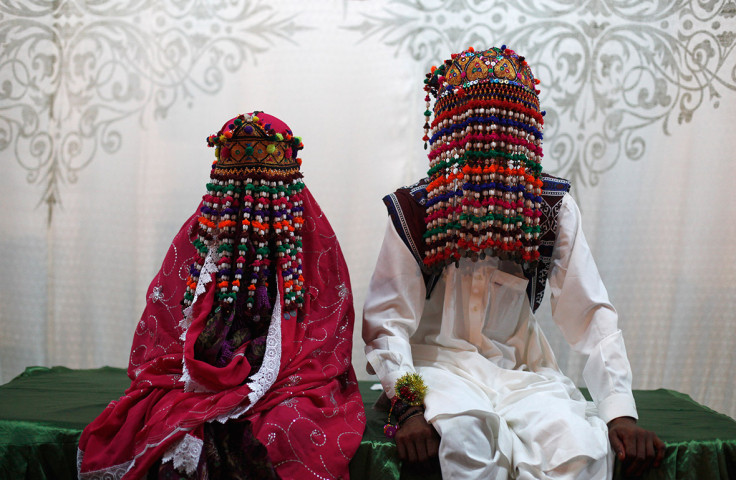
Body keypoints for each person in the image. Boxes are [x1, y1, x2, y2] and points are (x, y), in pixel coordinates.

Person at [362, 46, 665, 479]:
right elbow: (387, 325)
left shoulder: (550, 208)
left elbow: (590, 313)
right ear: (450, 132)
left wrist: (619, 412)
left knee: (581, 450)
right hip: (437, 372)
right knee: (465, 439)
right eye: (479, 126)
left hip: (523, 375)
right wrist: (409, 408)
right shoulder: (416, 209)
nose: (491, 142)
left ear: (526, 131)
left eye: (506, 126)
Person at [78, 112, 365, 479]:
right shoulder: (200, 237)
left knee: (290, 430)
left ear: (286, 183)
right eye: (239, 184)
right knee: (163, 420)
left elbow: (327, 333)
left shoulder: (312, 242)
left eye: (263, 187)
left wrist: (267, 370)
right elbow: (165, 324)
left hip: (289, 376)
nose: (251, 197)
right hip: (200, 373)